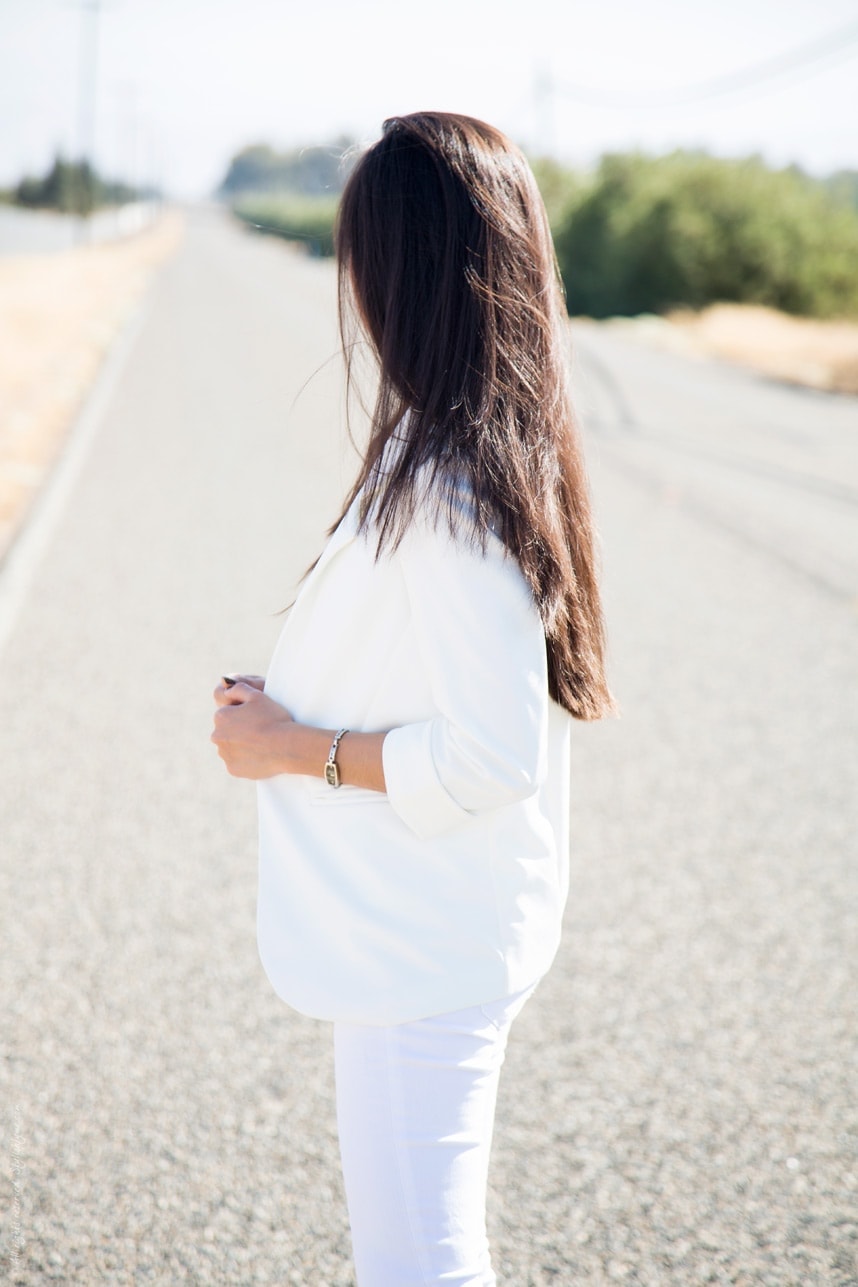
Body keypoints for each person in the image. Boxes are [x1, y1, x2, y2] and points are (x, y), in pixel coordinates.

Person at [211, 111, 614, 1287]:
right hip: (427, 926)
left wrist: (292, 746)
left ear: (403, 274)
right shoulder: (468, 451)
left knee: (419, 1260)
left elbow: (491, 757)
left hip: (421, 940)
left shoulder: (451, 488)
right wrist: (285, 703)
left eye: (361, 256)